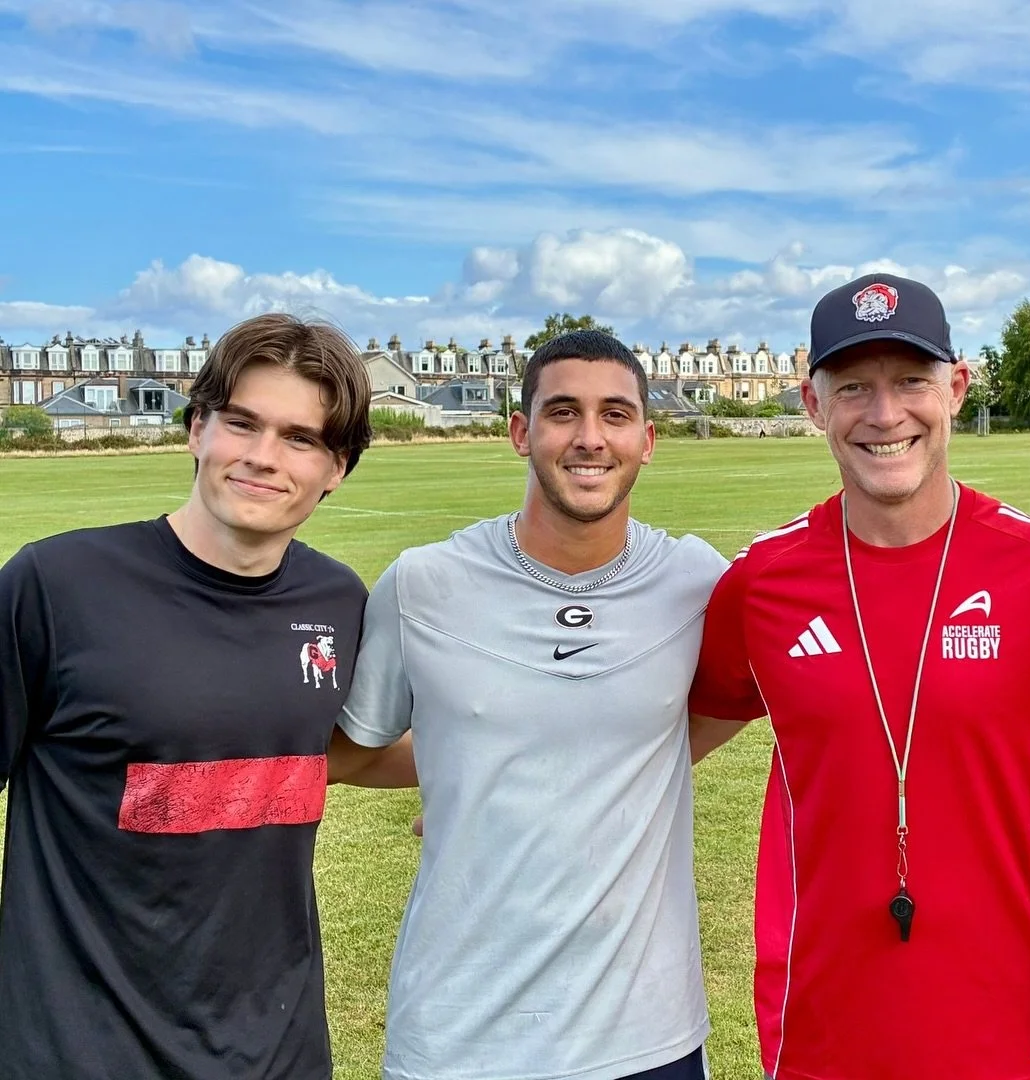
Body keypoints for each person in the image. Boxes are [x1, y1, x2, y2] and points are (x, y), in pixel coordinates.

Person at [686, 273, 1030, 1080]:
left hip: (1013, 1023)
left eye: (910, 382)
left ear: (957, 388)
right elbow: (671, 740)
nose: (884, 414)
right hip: (823, 1026)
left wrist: (1004, 780)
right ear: (811, 403)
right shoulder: (759, 586)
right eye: (854, 387)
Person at [335, 330, 729, 1080]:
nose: (589, 438)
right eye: (562, 413)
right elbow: (348, 751)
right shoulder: (424, 585)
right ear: (520, 432)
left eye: (615, 415)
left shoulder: (695, 581)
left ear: (649, 440)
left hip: (648, 1040)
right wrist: (465, 775)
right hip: (458, 1040)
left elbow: (732, 705)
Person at [0, 313, 378, 1079]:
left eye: (300, 438)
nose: (263, 458)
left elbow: (334, 752)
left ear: (337, 466)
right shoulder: (56, 586)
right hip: (80, 1051)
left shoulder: (338, 601)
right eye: (242, 424)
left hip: (280, 1052)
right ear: (197, 428)